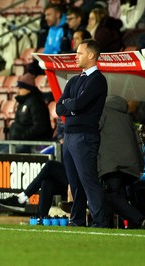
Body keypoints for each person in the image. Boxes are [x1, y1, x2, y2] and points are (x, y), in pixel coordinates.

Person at [56, 38, 108, 228]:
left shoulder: (98, 80)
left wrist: (71, 105)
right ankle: (77, 219)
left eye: (80, 53)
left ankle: (100, 221)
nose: (76, 56)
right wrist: (72, 106)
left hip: (85, 136)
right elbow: (59, 107)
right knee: (75, 182)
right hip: (69, 136)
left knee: (88, 180)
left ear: (91, 55)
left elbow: (77, 104)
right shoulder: (75, 80)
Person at [98, 95, 145, 229]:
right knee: (119, 195)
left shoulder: (102, 113)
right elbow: (138, 142)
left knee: (109, 195)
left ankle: (139, 219)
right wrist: (140, 164)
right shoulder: (127, 117)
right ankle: (127, 225)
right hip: (129, 165)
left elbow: (95, 132)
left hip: (112, 164)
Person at [0, 73, 52, 154]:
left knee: (3, 153)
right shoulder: (23, 102)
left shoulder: (36, 103)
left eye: (20, 88)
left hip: (32, 142)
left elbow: (40, 127)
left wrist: (22, 136)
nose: (18, 91)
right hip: (19, 142)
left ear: (28, 88)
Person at [0, 160, 68, 219]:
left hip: (78, 183)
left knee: (50, 165)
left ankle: (21, 198)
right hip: (72, 182)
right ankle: (40, 218)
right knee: (47, 182)